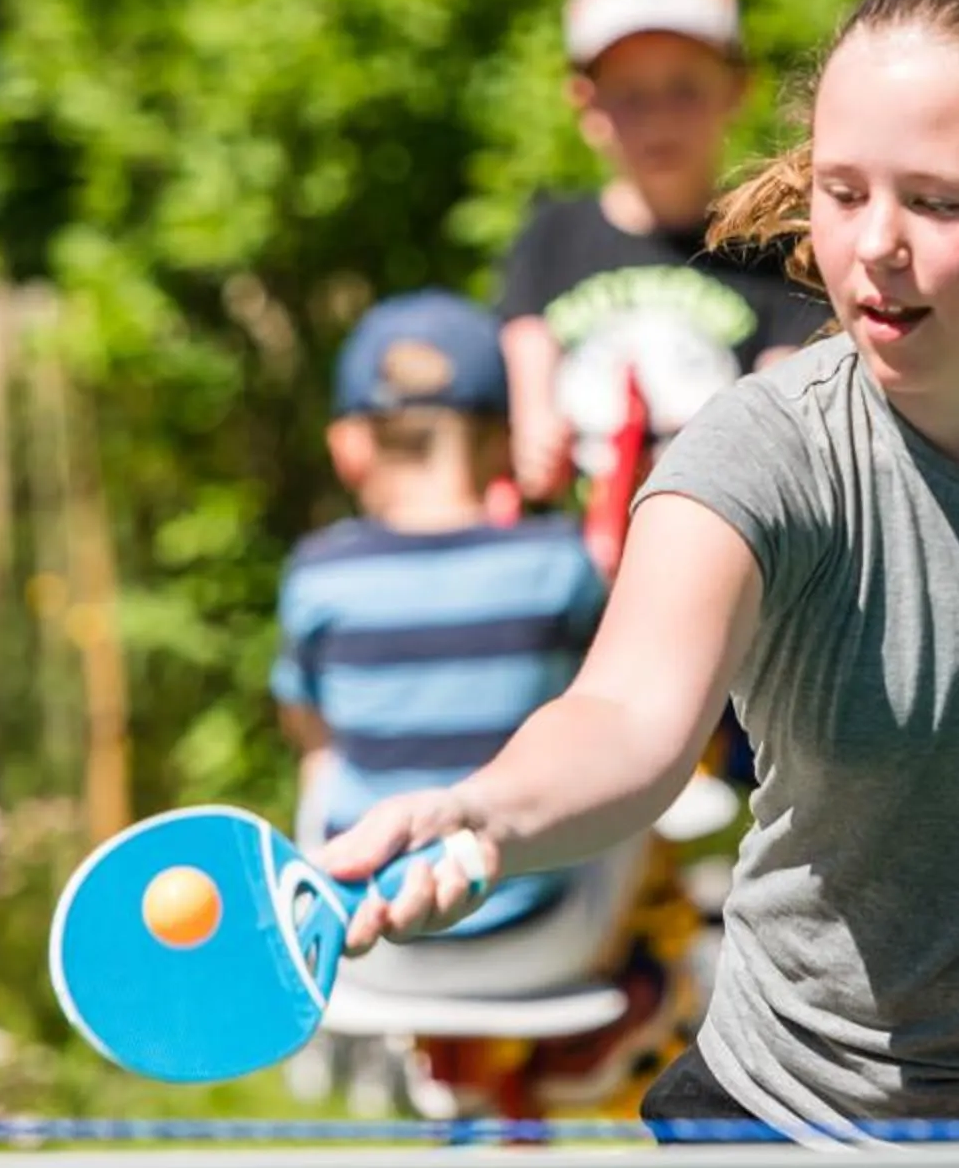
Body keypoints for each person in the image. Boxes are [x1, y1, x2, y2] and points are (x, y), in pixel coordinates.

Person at [323, 0, 959, 1133]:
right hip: (799, 1119)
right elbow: (627, 718)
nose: (874, 244)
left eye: (936, 201)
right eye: (841, 190)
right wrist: (482, 810)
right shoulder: (764, 453)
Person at [273, 292, 678, 1108]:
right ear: (505, 440)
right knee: (647, 756)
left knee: (328, 765)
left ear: (350, 450)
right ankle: (644, 995)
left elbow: (310, 735)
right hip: (555, 942)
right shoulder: (565, 564)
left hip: (371, 950)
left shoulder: (319, 574)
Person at [498, 0, 829, 505]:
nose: (658, 119)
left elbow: (786, 432)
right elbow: (526, 383)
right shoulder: (549, 237)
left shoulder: (779, 257)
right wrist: (534, 443)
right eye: (630, 94)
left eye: (684, 89)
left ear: (737, 88)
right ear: (586, 103)